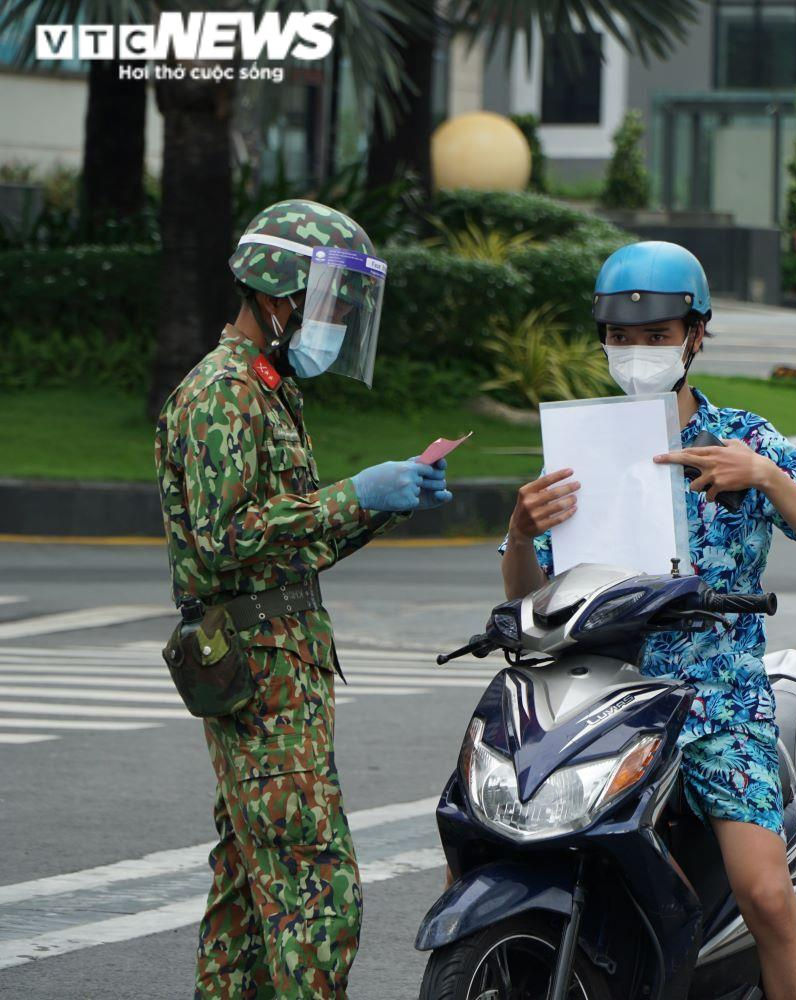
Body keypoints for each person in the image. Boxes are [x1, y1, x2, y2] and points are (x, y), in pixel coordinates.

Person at [501, 241, 796, 1000]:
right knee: (498, 838)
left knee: (765, 893)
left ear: (696, 336)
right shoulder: (578, 448)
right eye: (622, 338)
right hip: (595, 693)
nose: (637, 353)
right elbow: (525, 598)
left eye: (657, 336)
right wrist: (523, 528)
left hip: (717, 700)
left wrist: (762, 477)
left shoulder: (746, 438)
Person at [155, 199, 452, 998]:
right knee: (320, 897)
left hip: (279, 669)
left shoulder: (265, 389)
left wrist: (383, 499)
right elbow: (226, 540)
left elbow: (292, 546)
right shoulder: (224, 394)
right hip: (258, 676)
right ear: (277, 296)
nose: (335, 323)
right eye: (328, 304)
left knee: (247, 907)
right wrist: (354, 492)